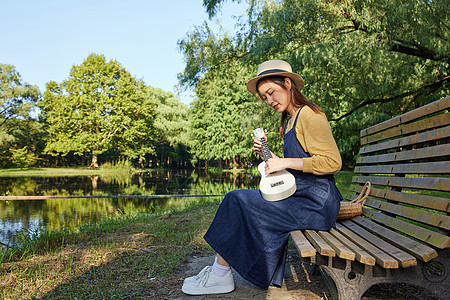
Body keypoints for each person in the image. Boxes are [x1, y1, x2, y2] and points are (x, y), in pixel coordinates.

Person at [181, 60, 343, 295]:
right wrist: (273, 159)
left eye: (271, 92)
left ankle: (220, 274)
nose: (269, 101)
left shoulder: (310, 115)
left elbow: (332, 162)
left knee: (236, 199)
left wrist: (284, 162)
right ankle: (219, 271)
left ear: (287, 84)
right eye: (264, 97)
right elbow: (301, 167)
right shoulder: (290, 121)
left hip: (317, 203)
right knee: (239, 200)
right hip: (302, 195)